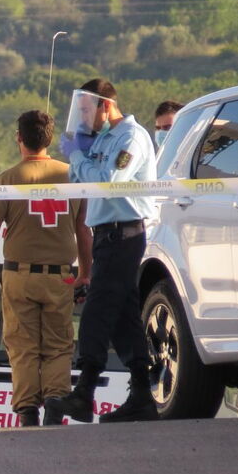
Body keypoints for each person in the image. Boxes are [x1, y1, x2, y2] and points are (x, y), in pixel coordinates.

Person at [0, 110, 92, 427]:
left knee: (22, 345)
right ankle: (57, 399)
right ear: (50, 139)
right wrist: (86, 273)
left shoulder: (6, 179)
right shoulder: (73, 176)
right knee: (59, 345)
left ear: (19, 138)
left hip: (19, 275)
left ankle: (27, 408)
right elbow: (83, 230)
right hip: (60, 276)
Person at [46, 79, 158, 424]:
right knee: (123, 317)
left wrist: (78, 155)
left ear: (105, 106)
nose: (82, 119)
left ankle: (85, 393)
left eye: (85, 110)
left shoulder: (130, 138)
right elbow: (88, 181)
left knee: (95, 312)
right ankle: (141, 394)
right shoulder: (106, 139)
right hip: (108, 235)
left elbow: (110, 180)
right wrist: (84, 155)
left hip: (122, 234)